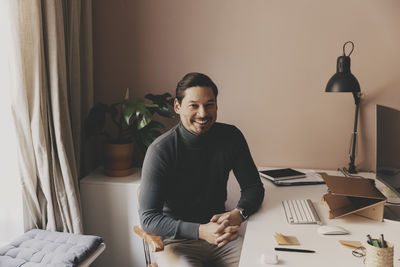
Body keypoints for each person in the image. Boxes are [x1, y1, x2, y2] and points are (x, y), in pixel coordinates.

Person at [139, 72, 265, 267]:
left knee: (263, 262)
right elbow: (149, 219)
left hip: (222, 238)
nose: (203, 113)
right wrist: (200, 231)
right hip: (177, 241)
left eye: (209, 104)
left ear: (216, 105)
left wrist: (239, 213)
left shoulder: (231, 137)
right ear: (177, 106)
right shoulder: (160, 150)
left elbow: (254, 187)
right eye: (194, 105)